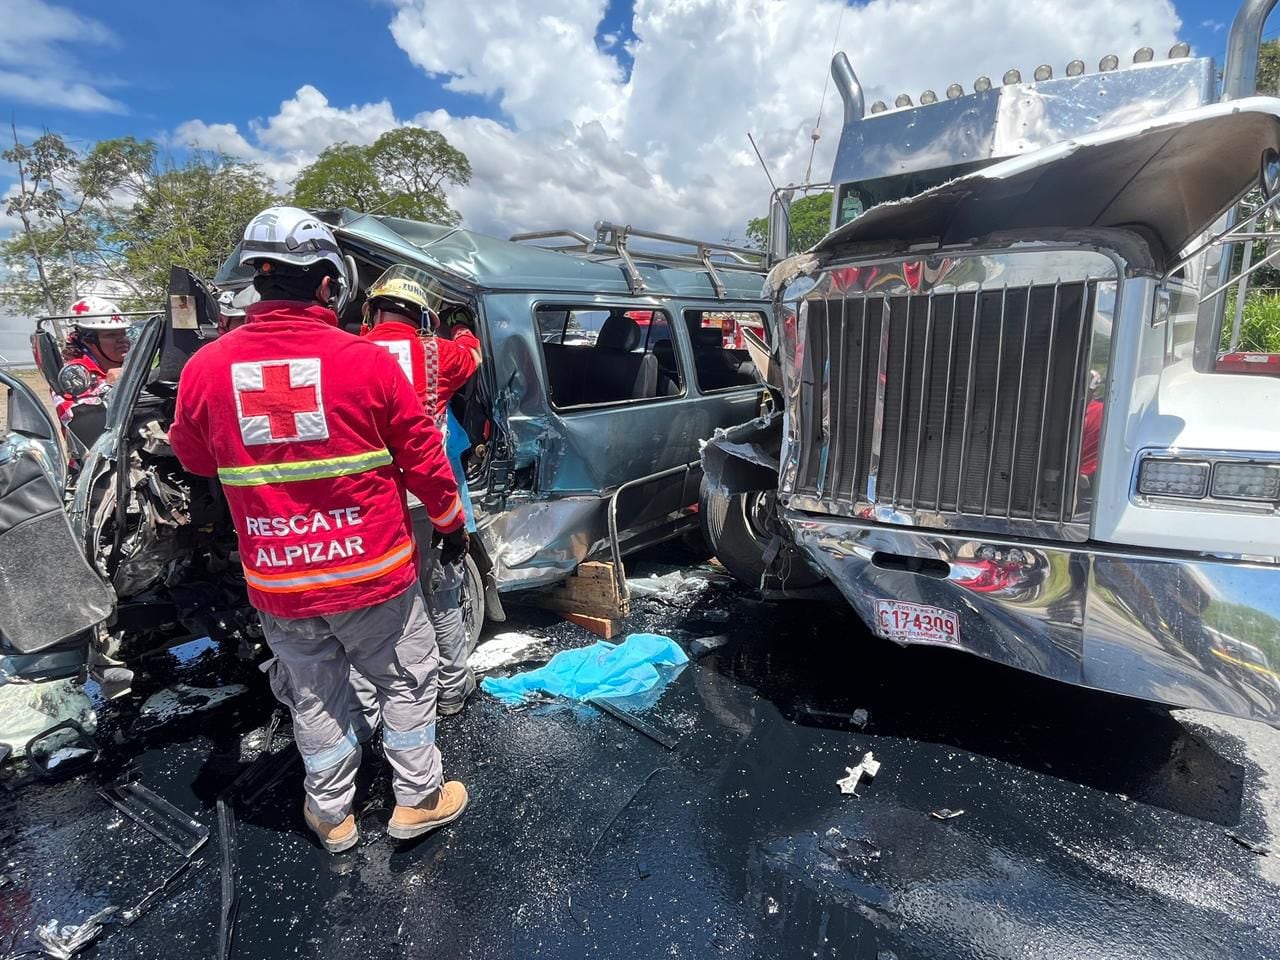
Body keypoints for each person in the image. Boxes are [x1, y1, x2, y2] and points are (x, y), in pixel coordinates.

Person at [168, 206, 470, 854]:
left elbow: (192, 458)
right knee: (408, 680)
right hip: (372, 576)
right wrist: (450, 524)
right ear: (329, 284)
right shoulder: (365, 364)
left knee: (314, 692)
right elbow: (424, 457)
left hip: (280, 581)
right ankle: (417, 800)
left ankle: (331, 815)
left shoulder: (206, 370)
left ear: (257, 279)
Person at [360, 265, 482, 716]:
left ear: (372, 310)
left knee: (382, 601)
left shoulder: (351, 352)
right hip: (431, 493)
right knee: (443, 591)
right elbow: (473, 355)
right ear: (423, 316)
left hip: (377, 499)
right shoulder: (440, 354)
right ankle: (451, 688)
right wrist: (462, 325)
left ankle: (386, 699)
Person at [54, 296, 131, 432]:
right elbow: (78, 426)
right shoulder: (73, 377)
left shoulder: (136, 364)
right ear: (88, 340)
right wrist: (108, 389)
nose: (123, 340)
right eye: (111, 335)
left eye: (124, 333)